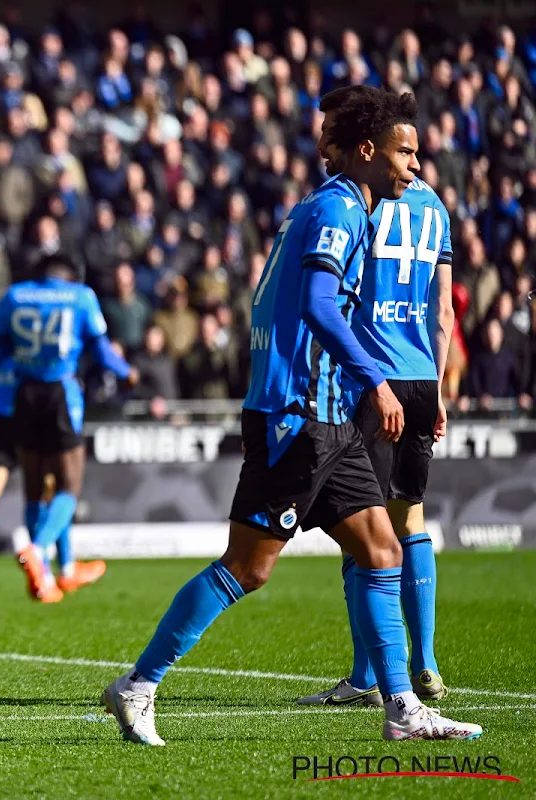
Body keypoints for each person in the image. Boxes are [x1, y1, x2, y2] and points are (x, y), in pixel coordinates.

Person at [101, 89, 481, 745]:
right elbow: (316, 303)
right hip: (298, 415)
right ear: (368, 152)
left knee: (381, 548)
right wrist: (377, 382)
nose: (415, 167)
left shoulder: (340, 208)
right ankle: (138, 685)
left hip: (326, 414)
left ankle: (402, 708)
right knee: (248, 568)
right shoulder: (337, 207)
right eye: (405, 152)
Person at [298, 86, 456, 709]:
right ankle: (429, 662)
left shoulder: (361, 201)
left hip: (375, 380)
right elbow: (444, 309)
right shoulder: (436, 208)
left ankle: (366, 676)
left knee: (361, 524)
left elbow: (334, 298)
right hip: (422, 376)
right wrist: (439, 386)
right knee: (410, 518)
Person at [0, 253, 132, 602]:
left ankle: (57, 573)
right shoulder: (80, 296)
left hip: (24, 393)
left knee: (35, 489)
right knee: (69, 486)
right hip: (60, 392)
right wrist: (129, 373)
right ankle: (38, 551)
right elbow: (101, 351)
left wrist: (8, 374)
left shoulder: (15, 296)